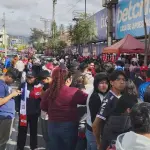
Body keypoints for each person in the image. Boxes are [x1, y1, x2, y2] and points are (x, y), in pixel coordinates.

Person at [40, 67, 88, 150]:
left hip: (52, 125)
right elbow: (88, 100)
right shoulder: (73, 91)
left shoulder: (49, 91)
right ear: (68, 80)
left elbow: (43, 107)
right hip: (69, 126)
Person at [92, 70, 126, 150]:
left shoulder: (122, 96)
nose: (121, 82)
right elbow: (95, 125)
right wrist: (99, 144)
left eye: (123, 80)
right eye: (118, 79)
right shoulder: (108, 100)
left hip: (120, 140)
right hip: (109, 142)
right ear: (111, 82)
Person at [16, 71, 43, 150]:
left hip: (34, 113)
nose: (29, 79)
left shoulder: (39, 86)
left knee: (33, 132)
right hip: (23, 113)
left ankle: (33, 146)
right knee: (22, 132)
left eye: (31, 78)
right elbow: (17, 97)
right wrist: (17, 108)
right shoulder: (22, 85)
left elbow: (42, 99)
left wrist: (39, 109)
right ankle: (20, 147)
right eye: (27, 77)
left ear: (35, 78)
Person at [86, 73, 110, 150]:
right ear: (96, 84)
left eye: (106, 83)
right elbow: (95, 122)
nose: (104, 85)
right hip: (94, 133)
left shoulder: (98, 92)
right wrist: (99, 142)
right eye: (101, 83)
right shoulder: (95, 97)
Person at [0, 69, 21, 150]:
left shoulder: (4, 84)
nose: (13, 82)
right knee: (2, 141)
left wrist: (12, 94)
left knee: (3, 140)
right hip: (3, 116)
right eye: (13, 79)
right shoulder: (1, 85)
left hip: (5, 116)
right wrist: (12, 94)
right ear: (8, 76)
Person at [39, 70, 52, 150]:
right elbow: (42, 97)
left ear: (47, 78)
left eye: (42, 80)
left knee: (50, 135)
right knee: (45, 134)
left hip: (50, 115)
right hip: (44, 113)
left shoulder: (55, 86)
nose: (42, 81)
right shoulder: (45, 86)